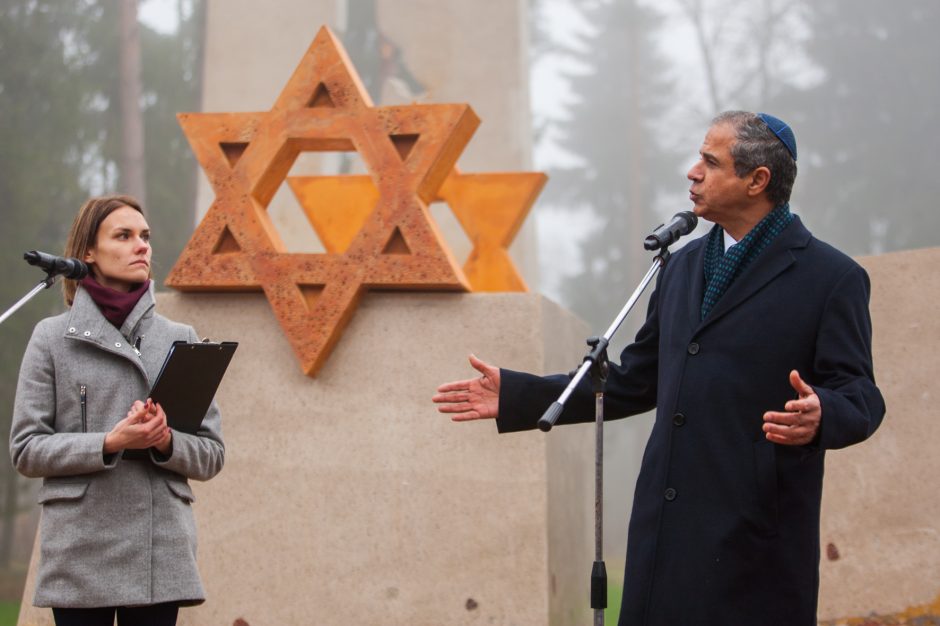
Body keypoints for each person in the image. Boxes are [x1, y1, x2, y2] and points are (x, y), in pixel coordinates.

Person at [433, 111, 885, 626]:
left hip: (755, 546)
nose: (693, 173)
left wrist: (822, 414)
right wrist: (521, 394)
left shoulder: (830, 278)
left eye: (711, 163)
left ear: (757, 180)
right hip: (665, 532)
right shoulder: (680, 267)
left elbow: (861, 395)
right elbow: (632, 382)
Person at [10, 195, 225, 626]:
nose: (141, 245)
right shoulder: (52, 338)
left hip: (159, 549)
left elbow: (212, 454)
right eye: (124, 236)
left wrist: (165, 441)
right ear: (88, 251)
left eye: (145, 236)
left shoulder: (181, 337)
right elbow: (26, 449)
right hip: (80, 549)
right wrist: (110, 442)